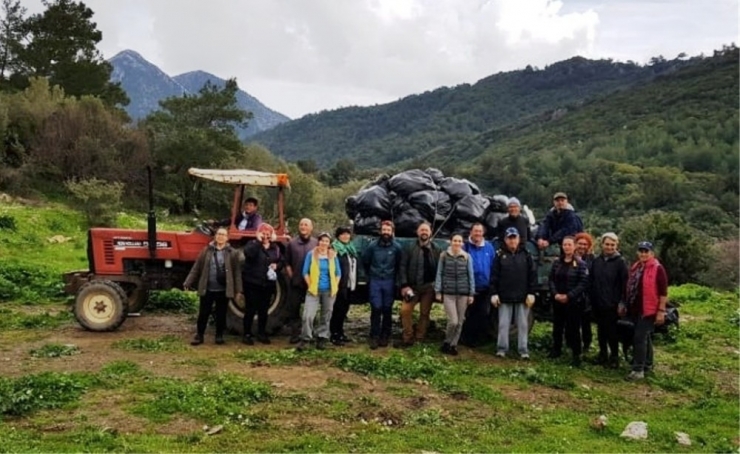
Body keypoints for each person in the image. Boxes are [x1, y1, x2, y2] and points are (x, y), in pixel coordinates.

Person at [184, 227, 242, 346]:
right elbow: (196, 268)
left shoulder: (233, 253)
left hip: (223, 289)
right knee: (203, 313)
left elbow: (236, 273)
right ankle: (199, 336)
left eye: (223, 235)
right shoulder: (206, 251)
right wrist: (188, 282)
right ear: (215, 236)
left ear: (227, 238)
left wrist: (238, 290)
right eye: (219, 234)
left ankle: (219, 336)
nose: (220, 236)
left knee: (221, 314)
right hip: (208, 288)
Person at [622, 241, 668, 381]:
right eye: (641, 251)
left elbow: (663, 292)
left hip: (648, 309)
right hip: (635, 308)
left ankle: (638, 370)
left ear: (652, 253)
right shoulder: (636, 267)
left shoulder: (657, 269)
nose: (643, 254)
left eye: (646, 251)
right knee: (645, 337)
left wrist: (661, 311)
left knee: (639, 338)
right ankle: (647, 364)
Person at [490, 227, 537, 359]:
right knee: (503, 324)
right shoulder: (499, 255)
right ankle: (501, 349)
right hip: (504, 296)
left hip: (523, 297)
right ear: (505, 240)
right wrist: (494, 293)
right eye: (509, 238)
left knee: (523, 325)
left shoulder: (526, 255)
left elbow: (532, 275)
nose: (512, 241)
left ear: (518, 239)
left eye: (514, 238)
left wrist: (531, 293)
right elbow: (494, 276)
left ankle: (523, 351)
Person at [396, 222, 441, 348]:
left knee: (424, 313)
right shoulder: (410, 248)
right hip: (412, 287)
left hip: (428, 288)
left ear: (430, 232)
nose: (424, 232)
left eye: (426, 230)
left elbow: (440, 269)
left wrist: (437, 287)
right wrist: (404, 285)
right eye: (422, 230)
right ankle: (408, 337)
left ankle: (420, 337)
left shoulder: (436, 249)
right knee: (405, 311)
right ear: (417, 232)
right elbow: (403, 267)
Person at [547, 236, 589, 366]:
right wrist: (555, 294)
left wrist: (569, 296)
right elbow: (551, 280)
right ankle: (556, 350)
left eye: (569, 245)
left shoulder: (581, 264)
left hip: (573, 302)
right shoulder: (557, 263)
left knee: (573, 329)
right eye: (564, 245)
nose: (567, 247)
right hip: (558, 300)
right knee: (557, 327)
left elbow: (583, 283)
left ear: (574, 246)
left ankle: (577, 355)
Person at [361, 220, 403, 350]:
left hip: (389, 281)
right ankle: (374, 335)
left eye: (388, 230)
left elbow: (399, 265)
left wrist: (397, 281)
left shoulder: (397, 247)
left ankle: (385, 335)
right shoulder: (372, 246)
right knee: (376, 307)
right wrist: (370, 275)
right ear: (380, 231)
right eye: (384, 230)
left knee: (387, 308)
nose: (386, 232)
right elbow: (365, 261)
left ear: (392, 232)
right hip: (376, 280)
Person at [590, 232, 628, 368]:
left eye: (612, 245)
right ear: (602, 245)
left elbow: (625, 284)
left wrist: (622, 302)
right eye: (607, 244)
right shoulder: (597, 261)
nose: (609, 247)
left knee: (612, 332)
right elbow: (592, 280)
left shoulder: (620, 262)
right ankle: (602, 354)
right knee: (601, 331)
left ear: (616, 246)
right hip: (598, 302)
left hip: (612, 304)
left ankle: (614, 357)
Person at [297, 232, 341, 351]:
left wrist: (335, 286)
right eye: (322, 240)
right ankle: (306, 339)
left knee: (326, 316)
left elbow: (338, 273)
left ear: (329, 244)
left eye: (326, 241)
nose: (324, 243)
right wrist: (310, 285)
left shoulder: (332, 256)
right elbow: (305, 272)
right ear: (318, 242)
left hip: (329, 291)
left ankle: (322, 338)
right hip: (314, 291)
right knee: (308, 316)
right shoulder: (311, 254)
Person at [240, 223, 283, 346]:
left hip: (267, 284)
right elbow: (249, 254)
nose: (265, 236)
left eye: (268, 233)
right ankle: (247, 334)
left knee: (263, 310)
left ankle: (261, 333)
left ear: (271, 235)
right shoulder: (252, 245)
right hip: (252, 283)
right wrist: (259, 242)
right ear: (259, 234)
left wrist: (277, 266)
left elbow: (282, 261)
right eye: (263, 233)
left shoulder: (275, 248)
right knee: (250, 309)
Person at [435, 234, 475, 356]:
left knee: (460, 321)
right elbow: (439, 273)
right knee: (453, 321)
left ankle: (453, 345)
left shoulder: (467, 257)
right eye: (455, 240)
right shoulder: (444, 256)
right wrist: (438, 291)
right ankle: (447, 341)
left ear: (462, 243)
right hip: (449, 293)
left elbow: (470, 275)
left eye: (459, 241)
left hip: (463, 293)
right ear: (450, 242)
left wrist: (471, 293)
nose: (457, 243)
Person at [460, 222, 496, 348]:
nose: (477, 234)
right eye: (475, 231)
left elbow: (493, 265)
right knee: (468, 314)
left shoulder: (489, 247)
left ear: (483, 233)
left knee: (482, 313)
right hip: (470, 287)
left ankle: (477, 338)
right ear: (471, 232)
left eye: (480, 231)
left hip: (484, 287)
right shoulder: (465, 247)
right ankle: (466, 338)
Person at [283, 218, 318, 343]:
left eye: (306, 225)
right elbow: (287, 263)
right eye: (301, 224)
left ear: (311, 228)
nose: (303, 227)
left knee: (310, 310)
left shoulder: (316, 243)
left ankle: (309, 333)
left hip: (311, 283)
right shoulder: (291, 244)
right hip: (296, 282)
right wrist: (292, 276)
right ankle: (295, 334)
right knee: (294, 309)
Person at [330, 226, 359, 346]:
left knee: (344, 310)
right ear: (338, 236)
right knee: (337, 310)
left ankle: (341, 332)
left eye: (347, 234)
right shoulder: (335, 249)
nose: (345, 236)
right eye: (342, 234)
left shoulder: (350, 249)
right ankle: (334, 334)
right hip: (339, 285)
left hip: (349, 285)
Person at [574, 232, 595, 353]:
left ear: (589, 246)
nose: (582, 246)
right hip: (572, 294)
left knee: (585, 322)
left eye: (585, 244)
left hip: (586, 295)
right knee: (572, 321)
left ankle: (586, 344)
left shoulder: (592, 259)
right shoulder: (570, 257)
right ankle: (573, 344)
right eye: (580, 243)